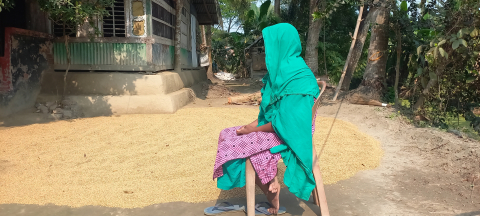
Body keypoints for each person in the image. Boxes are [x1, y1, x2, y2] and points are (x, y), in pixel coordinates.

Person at [212, 23, 320, 214]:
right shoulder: (282, 72)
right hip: (278, 126)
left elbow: (288, 124)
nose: (267, 51)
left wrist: (252, 130)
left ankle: (272, 192)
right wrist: (250, 126)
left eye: (270, 46)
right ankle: (269, 181)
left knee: (237, 144)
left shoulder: (298, 78)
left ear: (282, 45)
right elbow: (271, 114)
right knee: (227, 134)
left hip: (291, 134)